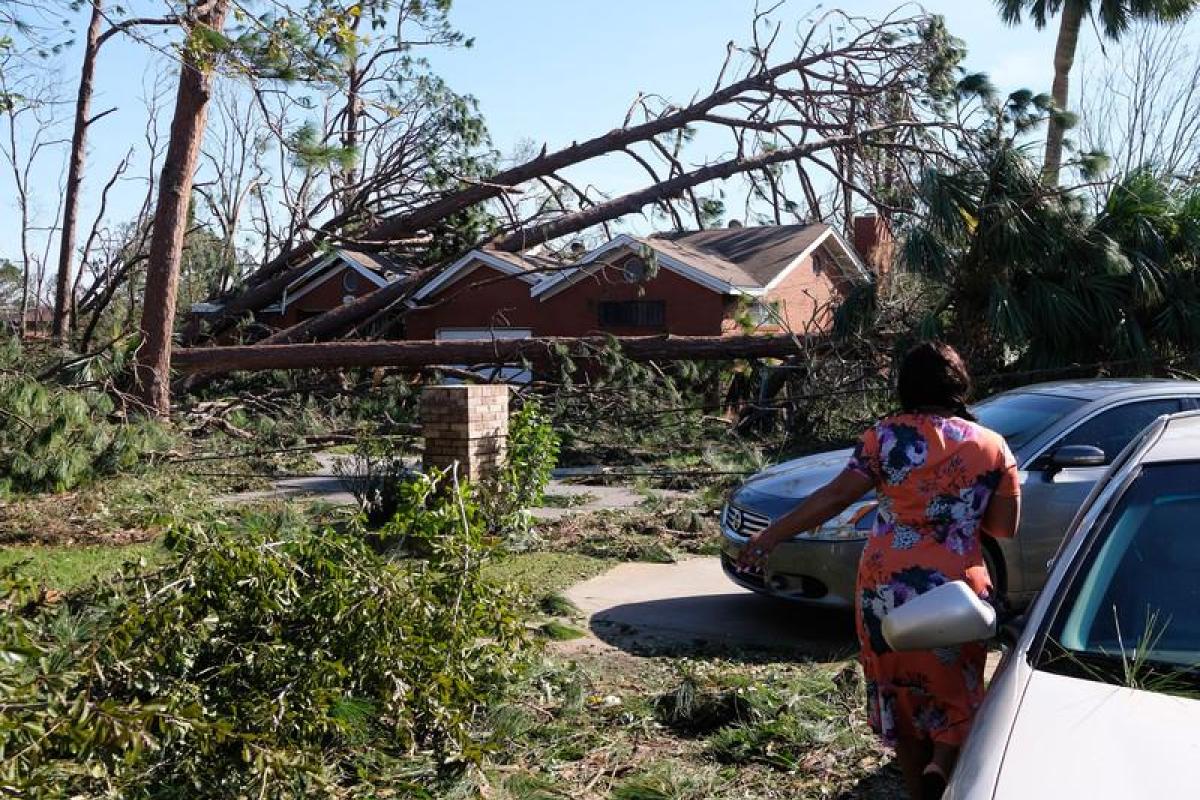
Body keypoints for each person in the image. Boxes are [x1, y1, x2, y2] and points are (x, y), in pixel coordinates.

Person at [737, 341, 1020, 800]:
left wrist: (770, 536)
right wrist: (959, 511)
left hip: (888, 587)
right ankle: (944, 762)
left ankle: (916, 786)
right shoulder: (992, 446)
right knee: (955, 685)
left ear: (906, 386)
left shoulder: (884, 437)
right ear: (959, 384)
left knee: (900, 690)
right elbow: (1004, 529)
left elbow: (832, 498)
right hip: (957, 588)